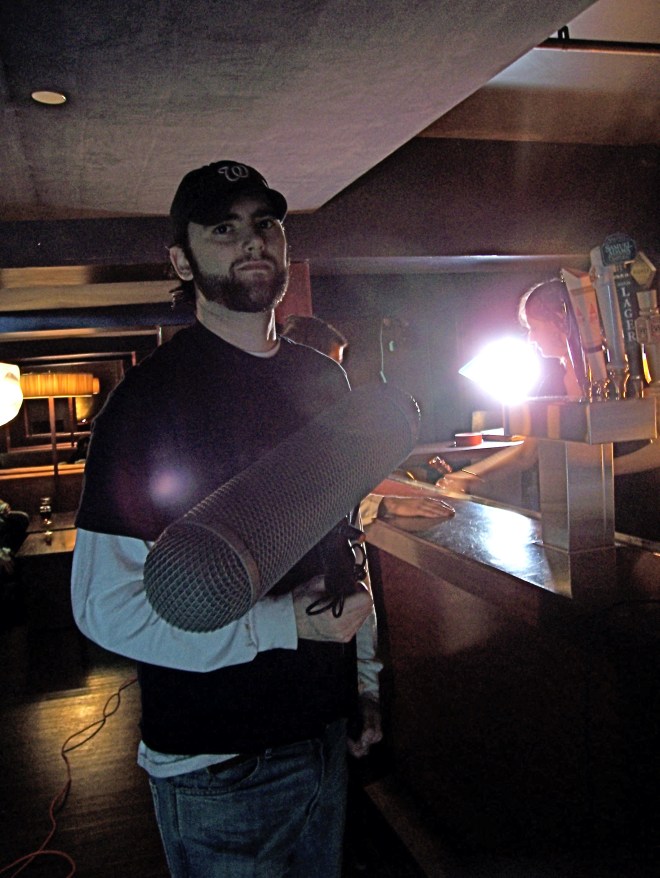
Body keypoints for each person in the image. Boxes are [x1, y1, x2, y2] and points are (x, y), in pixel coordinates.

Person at [71, 161, 385, 878]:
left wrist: (362, 687)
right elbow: (105, 607)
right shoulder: (146, 403)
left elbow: (342, 544)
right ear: (182, 261)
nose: (252, 241)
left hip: (324, 732)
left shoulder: (323, 378)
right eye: (223, 228)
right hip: (218, 765)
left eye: (265, 223)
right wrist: (283, 625)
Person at [438, 278, 660, 541]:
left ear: (560, 320)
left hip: (641, 509)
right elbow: (528, 453)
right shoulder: (552, 383)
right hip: (582, 513)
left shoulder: (630, 372)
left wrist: (602, 473)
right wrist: (464, 477)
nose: (531, 338)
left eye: (534, 327)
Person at [280, 314, 456, 524]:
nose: (340, 375)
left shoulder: (326, 416)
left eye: (340, 366)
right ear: (307, 364)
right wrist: (384, 504)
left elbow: (351, 479)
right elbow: (301, 497)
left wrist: (424, 479)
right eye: (334, 366)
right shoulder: (283, 420)